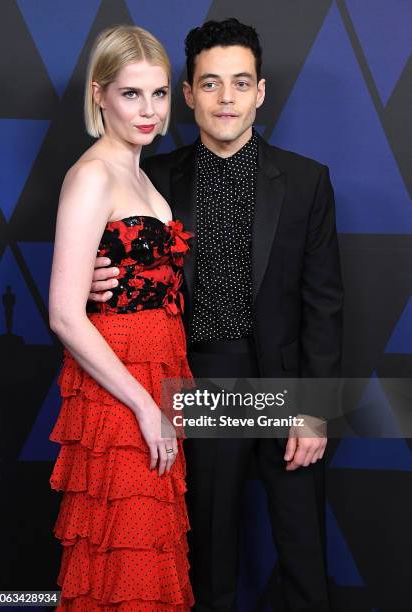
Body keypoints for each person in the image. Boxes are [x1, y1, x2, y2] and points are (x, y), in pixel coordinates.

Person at [89, 18, 344, 612]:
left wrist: (314, 407)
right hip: (196, 379)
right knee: (207, 555)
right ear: (188, 95)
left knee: (303, 551)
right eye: (210, 84)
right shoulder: (151, 180)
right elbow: (117, 278)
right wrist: (93, 285)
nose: (225, 98)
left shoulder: (307, 182)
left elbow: (324, 304)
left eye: (239, 82)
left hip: (283, 383)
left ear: (260, 92)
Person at [48, 24, 194, 611]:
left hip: (159, 379)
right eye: (131, 94)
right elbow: (64, 314)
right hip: (122, 391)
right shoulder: (92, 175)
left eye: (159, 94)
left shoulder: (136, 171)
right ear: (98, 94)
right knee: (124, 563)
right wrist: (141, 404)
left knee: (149, 554)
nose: (149, 110)